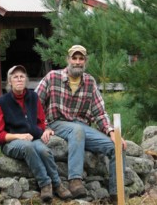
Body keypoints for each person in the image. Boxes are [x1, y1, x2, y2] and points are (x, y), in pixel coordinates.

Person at [35, 45, 127, 203]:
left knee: (117, 146)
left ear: (85, 61)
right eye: (74, 58)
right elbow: (35, 104)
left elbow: (99, 111)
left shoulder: (89, 81)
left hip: (82, 126)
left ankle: (116, 193)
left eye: (81, 59)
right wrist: (44, 126)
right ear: (68, 59)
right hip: (57, 122)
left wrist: (111, 132)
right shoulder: (52, 77)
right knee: (76, 129)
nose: (77, 62)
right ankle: (75, 181)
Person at [0, 65, 73, 202]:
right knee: (27, 147)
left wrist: (45, 130)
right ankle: (45, 184)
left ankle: (57, 184)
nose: (19, 79)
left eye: (22, 76)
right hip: (11, 142)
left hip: (33, 138)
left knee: (44, 150)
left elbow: (41, 121)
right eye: (15, 77)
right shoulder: (2, 103)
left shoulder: (33, 97)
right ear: (9, 81)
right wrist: (19, 136)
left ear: (26, 80)